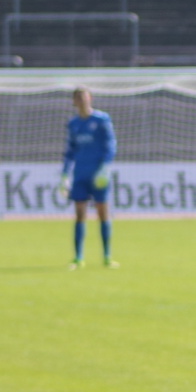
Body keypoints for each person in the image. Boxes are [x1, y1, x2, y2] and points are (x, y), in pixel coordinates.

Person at [62, 88, 116, 270]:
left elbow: (110, 145)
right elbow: (70, 151)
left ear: (90, 98)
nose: (82, 101)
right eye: (78, 98)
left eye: (84, 97)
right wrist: (64, 174)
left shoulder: (101, 120)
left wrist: (105, 168)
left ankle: (107, 256)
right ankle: (78, 257)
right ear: (74, 102)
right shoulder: (73, 124)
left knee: (102, 213)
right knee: (79, 214)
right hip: (80, 175)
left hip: (98, 176)